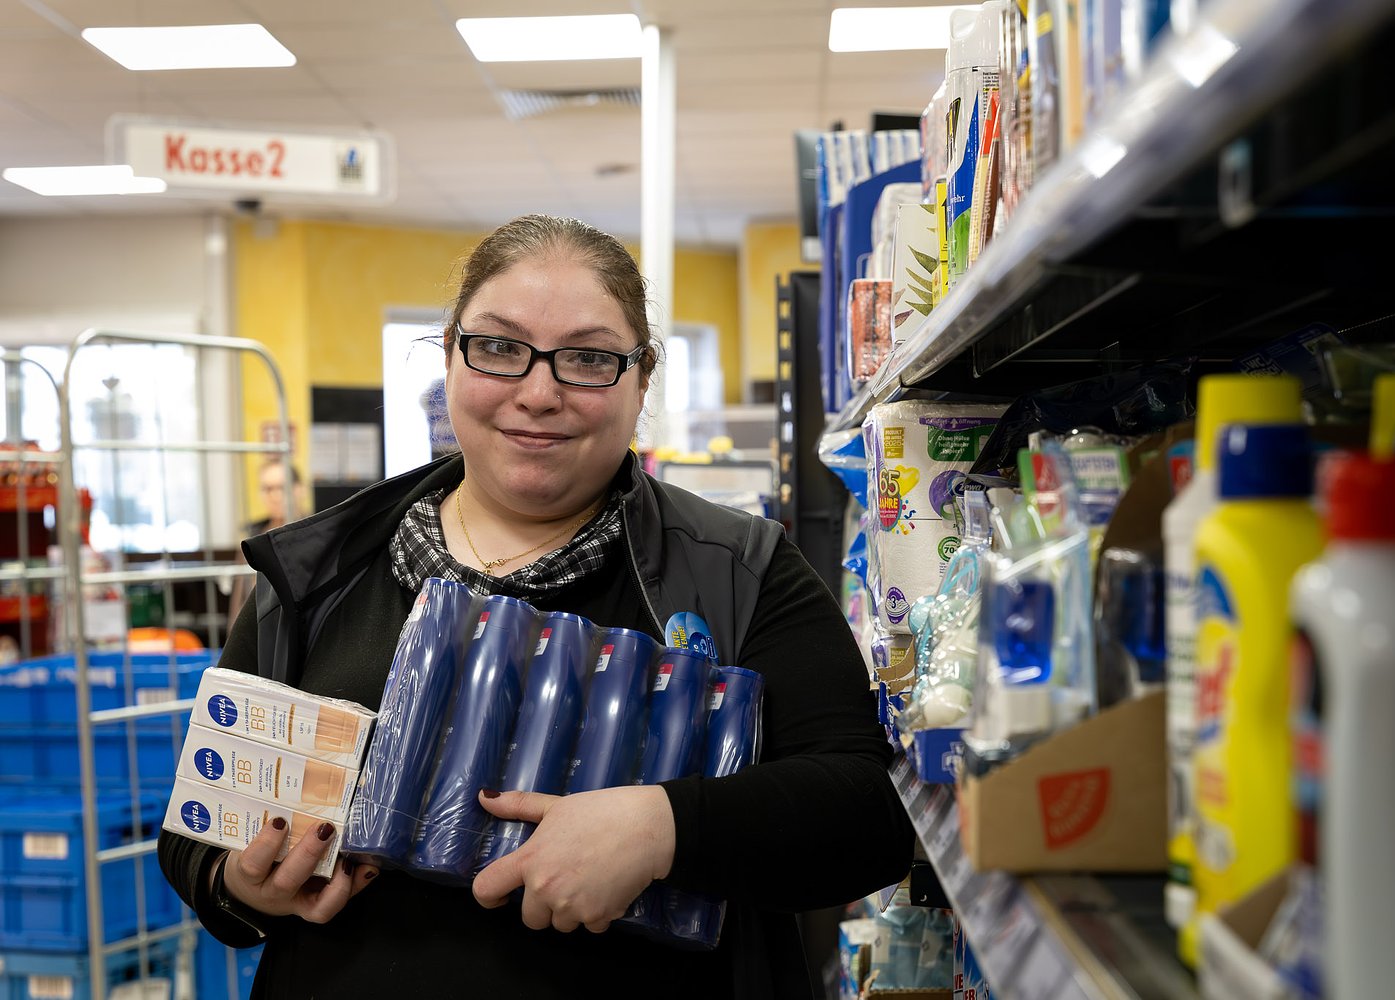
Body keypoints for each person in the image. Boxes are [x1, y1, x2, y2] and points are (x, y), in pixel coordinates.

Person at [160, 214, 914, 999]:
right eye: (498, 347)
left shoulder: (738, 570)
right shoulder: (317, 572)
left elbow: (865, 819)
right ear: (450, 355)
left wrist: (665, 828)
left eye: (588, 358)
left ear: (642, 379)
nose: (538, 392)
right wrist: (240, 885)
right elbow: (192, 829)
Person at [225, 460, 304, 627]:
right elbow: (239, 603)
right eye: (268, 489)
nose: (275, 496)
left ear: (298, 490)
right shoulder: (252, 539)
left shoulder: (311, 534)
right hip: (259, 630)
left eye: (282, 488)